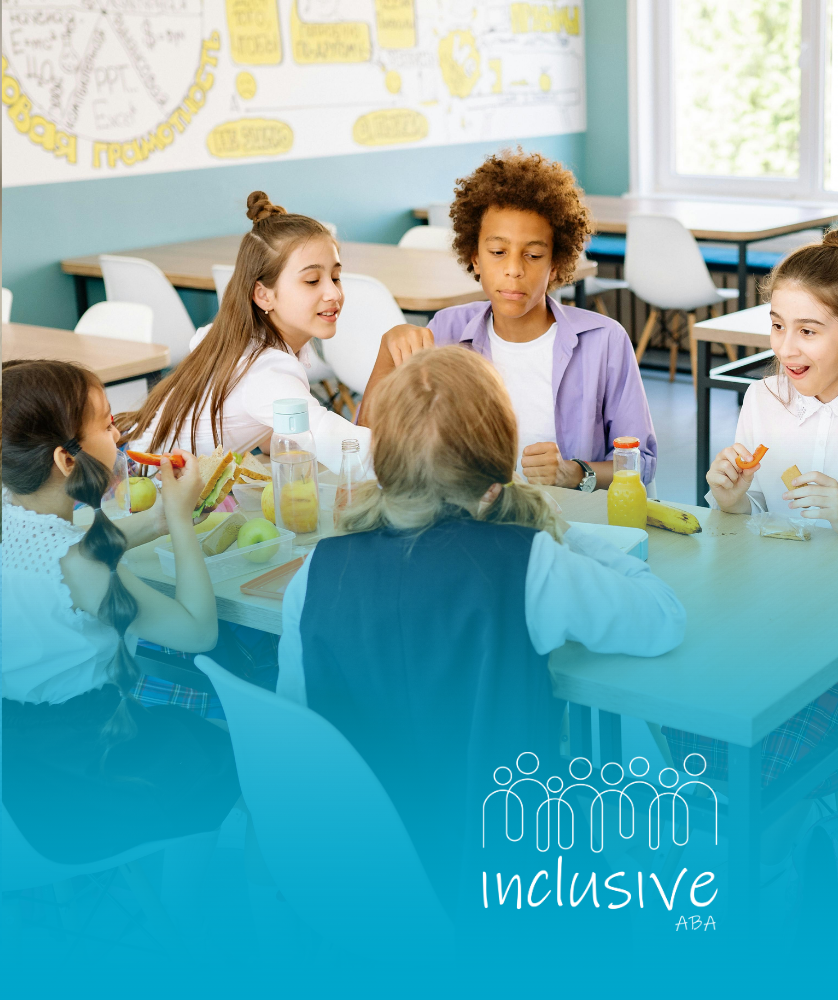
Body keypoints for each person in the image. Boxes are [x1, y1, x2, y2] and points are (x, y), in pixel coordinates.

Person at [276, 346, 685, 913]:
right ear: (493, 487)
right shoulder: (528, 563)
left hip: (360, 886)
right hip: (506, 890)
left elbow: (299, 734)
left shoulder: (315, 572)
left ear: (382, 468)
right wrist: (557, 529)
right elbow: (662, 617)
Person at [666, 217, 838, 810]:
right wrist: (732, 500)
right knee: (689, 695)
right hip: (773, 611)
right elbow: (747, 521)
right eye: (777, 326)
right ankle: (764, 821)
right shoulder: (762, 400)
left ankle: (775, 830)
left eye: (808, 331)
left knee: (775, 738)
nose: (785, 349)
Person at [2, 360, 239, 863]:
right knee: (236, 753)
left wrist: (155, 519)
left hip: (18, 775)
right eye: (108, 424)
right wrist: (180, 521)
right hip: (91, 782)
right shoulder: (85, 567)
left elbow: (65, 548)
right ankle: (197, 893)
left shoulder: (13, 515)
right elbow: (198, 631)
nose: (120, 434)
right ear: (67, 460)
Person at [360, 149, 657, 492]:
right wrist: (387, 352)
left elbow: (642, 462)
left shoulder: (604, 341)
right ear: (475, 258)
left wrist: (574, 472)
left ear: (555, 265)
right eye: (498, 252)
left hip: (567, 516)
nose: (514, 269)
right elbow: (370, 448)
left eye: (533, 255)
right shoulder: (445, 331)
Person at [122, 191, 390, 470]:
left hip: (135, 461)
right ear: (263, 295)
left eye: (335, 277)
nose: (333, 293)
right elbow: (354, 455)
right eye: (312, 281)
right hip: (144, 483)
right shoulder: (267, 370)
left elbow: (273, 438)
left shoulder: (239, 339)